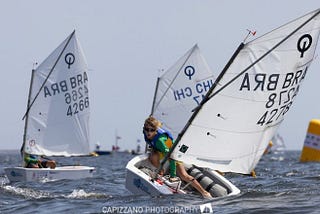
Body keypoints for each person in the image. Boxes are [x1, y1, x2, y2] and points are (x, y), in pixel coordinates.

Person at [143, 116, 212, 198]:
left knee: (183, 175)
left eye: (152, 130)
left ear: (156, 131)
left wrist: (173, 176)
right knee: (153, 155)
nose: (149, 133)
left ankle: (204, 192)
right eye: (147, 129)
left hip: (172, 153)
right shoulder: (146, 134)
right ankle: (160, 174)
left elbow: (171, 158)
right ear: (144, 128)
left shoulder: (160, 141)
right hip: (161, 151)